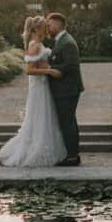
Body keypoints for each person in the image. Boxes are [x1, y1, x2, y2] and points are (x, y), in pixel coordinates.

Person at [0, 15, 67, 168]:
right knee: (38, 118)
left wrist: (47, 67)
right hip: (38, 88)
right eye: (44, 27)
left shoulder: (37, 44)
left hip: (42, 87)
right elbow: (29, 70)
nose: (47, 29)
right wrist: (50, 71)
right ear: (37, 29)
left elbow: (38, 65)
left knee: (42, 118)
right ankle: (32, 151)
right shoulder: (35, 46)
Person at [45, 12, 84, 166]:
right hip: (65, 89)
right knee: (68, 122)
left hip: (67, 90)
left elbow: (71, 65)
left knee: (67, 123)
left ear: (58, 24)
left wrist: (50, 69)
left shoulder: (67, 42)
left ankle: (72, 157)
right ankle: (73, 154)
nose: (47, 28)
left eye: (49, 25)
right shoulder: (61, 40)